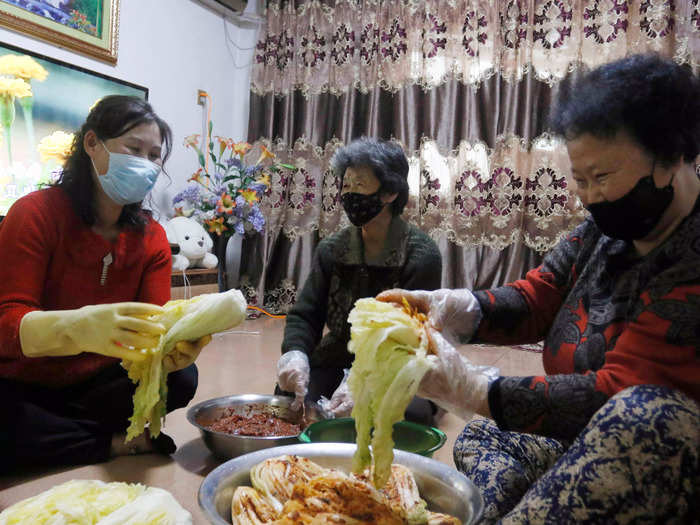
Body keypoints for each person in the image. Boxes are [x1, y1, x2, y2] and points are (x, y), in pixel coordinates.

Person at [378, 54, 700, 523]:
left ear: (670, 157)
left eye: (603, 178)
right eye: (579, 179)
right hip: (581, 437)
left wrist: (473, 387)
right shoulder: (602, 233)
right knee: (480, 436)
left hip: (657, 452)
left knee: (642, 416)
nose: (589, 196)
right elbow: (535, 298)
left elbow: (616, 393)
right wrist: (451, 308)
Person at [0, 95, 211, 472]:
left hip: (99, 385)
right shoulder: (33, 215)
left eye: (154, 156)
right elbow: (6, 326)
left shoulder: (151, 238)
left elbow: (154, 328)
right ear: (92, 143)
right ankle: (112, 442)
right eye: (134, 149)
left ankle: (71, 438)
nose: (145, 165)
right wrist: (77, 328)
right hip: (26, 382)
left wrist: (172, 348)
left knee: (182, 378)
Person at [276, 137, 442, 424]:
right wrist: (295, 354)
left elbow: (413, 336)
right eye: (346, 185)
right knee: (290, 400)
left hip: (397, 363)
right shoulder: (331, 249)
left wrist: (365, 380)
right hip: (337, 356)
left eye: (360, 185)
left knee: (409, 415)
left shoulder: (421, 255)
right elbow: (306, 315)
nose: (349, 194)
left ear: (390, 192)